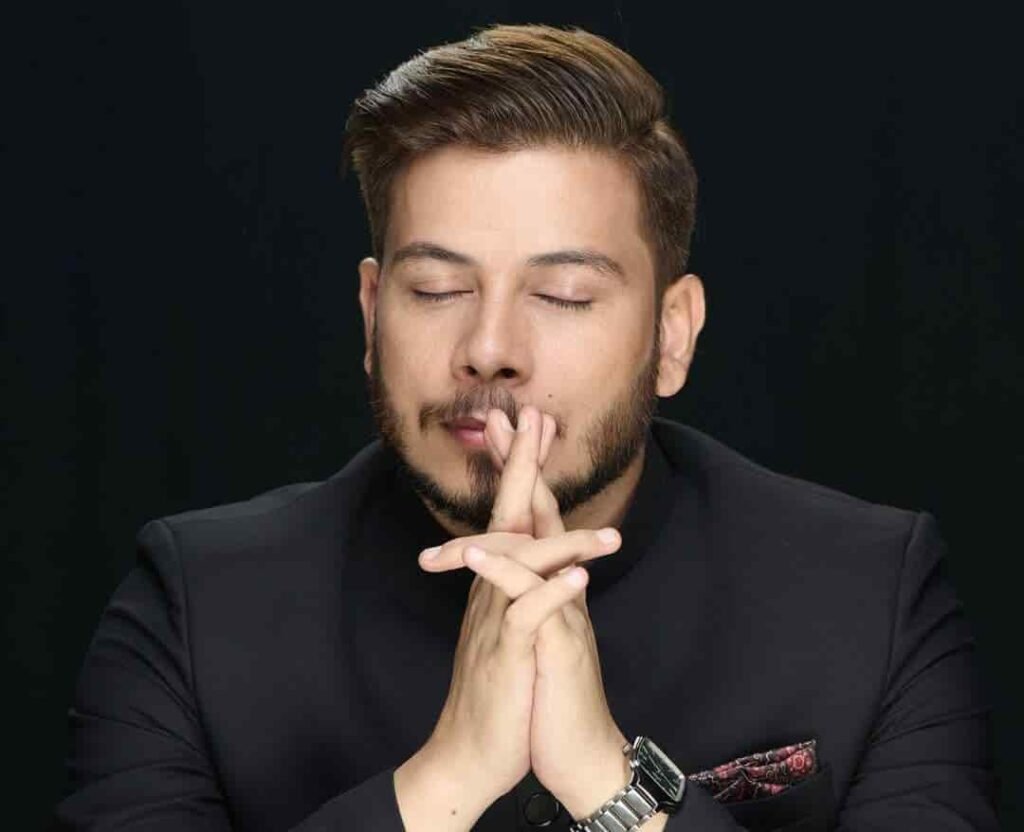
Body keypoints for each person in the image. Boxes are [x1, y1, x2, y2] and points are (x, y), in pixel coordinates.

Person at [54, 22, 999, 832]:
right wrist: (447, 780)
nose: (490, 348)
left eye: (562, 294)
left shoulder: (872, 594)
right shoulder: (194, 608)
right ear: (373, 315)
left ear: (672, 336)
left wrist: (610, 782)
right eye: (437, 289)